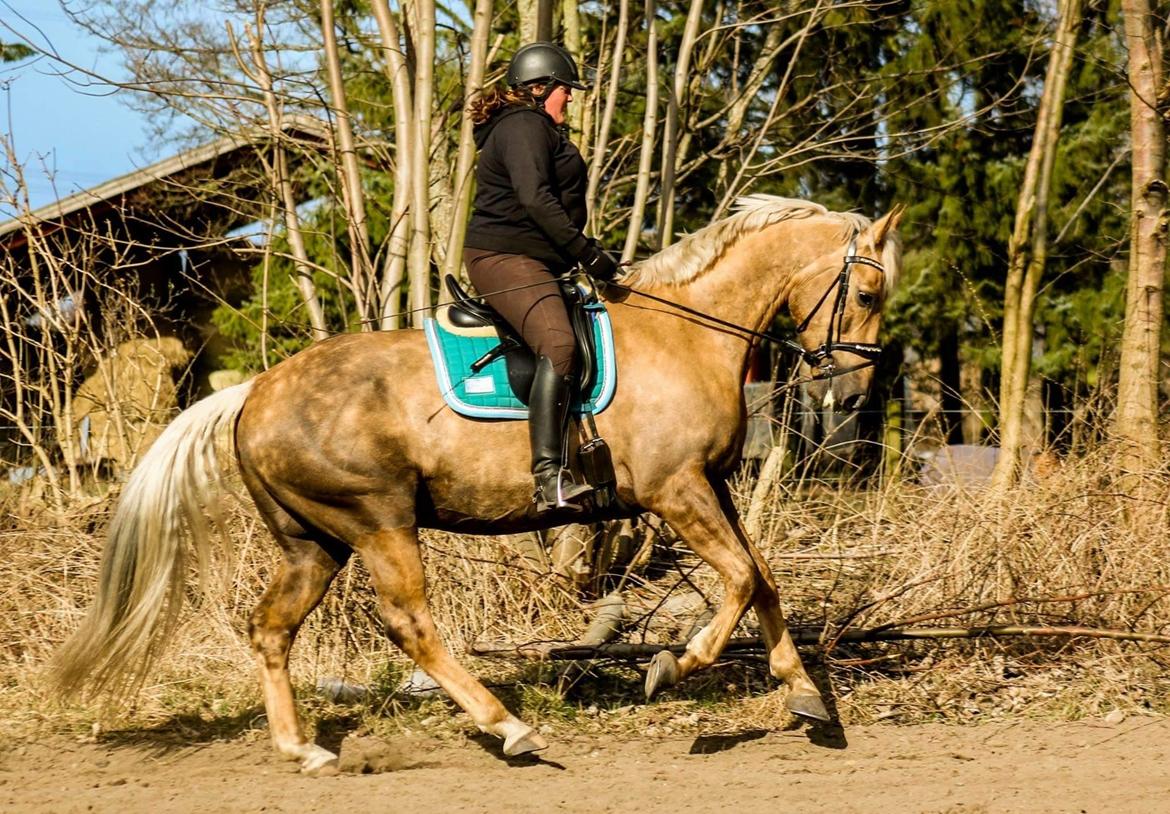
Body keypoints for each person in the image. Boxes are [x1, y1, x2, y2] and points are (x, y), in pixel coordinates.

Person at [463, 41, 619, 514]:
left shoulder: (533, 128)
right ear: (541, 88)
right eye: (565, 90)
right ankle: (549, 478)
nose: (570, 98)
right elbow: (534, 199)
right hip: (504, 257)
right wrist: (587, 254)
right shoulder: (524, 125)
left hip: (537, 260)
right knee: (560, 344)